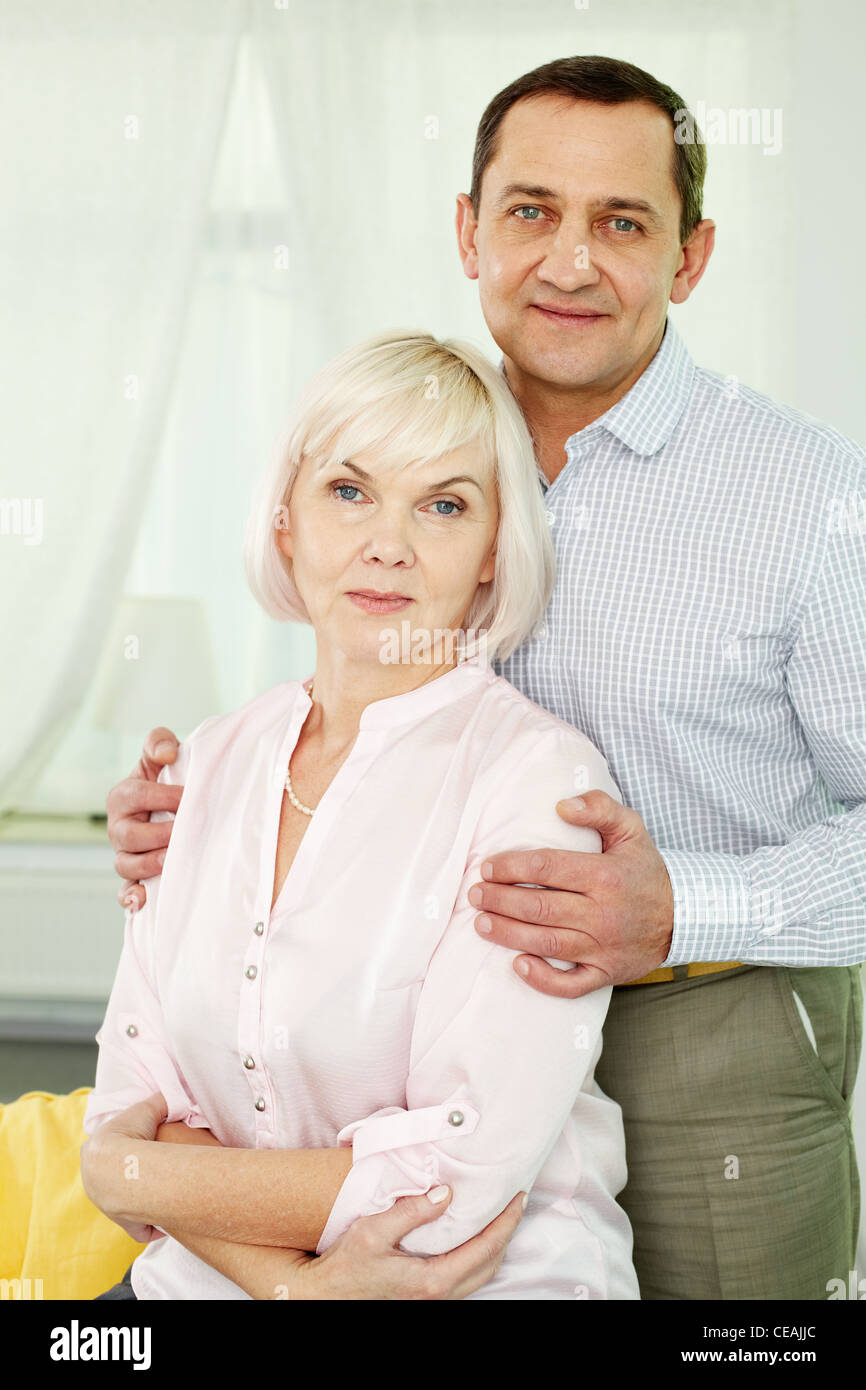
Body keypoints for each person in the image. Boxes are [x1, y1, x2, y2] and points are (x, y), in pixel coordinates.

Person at [106, 55, 866, 1300]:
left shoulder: (805, 497)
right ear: (469, 231)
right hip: (397, 1052)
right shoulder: (418, 445)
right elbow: (363, 713)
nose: (569, 261)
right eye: (530, 212)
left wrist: (680, 909)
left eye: (621, 222)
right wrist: (214, 827)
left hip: (706, 1031)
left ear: (689, 257)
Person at [81, 330, 641, 1301]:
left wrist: (126, 1173)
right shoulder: (208, 761)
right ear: (286, 520)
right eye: (349, 490)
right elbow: (130, 1098)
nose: (387, 542)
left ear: (489, 551)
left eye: (442, 504)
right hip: (211, 1284)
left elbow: (449, 1182)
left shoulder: (535, 783)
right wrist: (293, 1288)